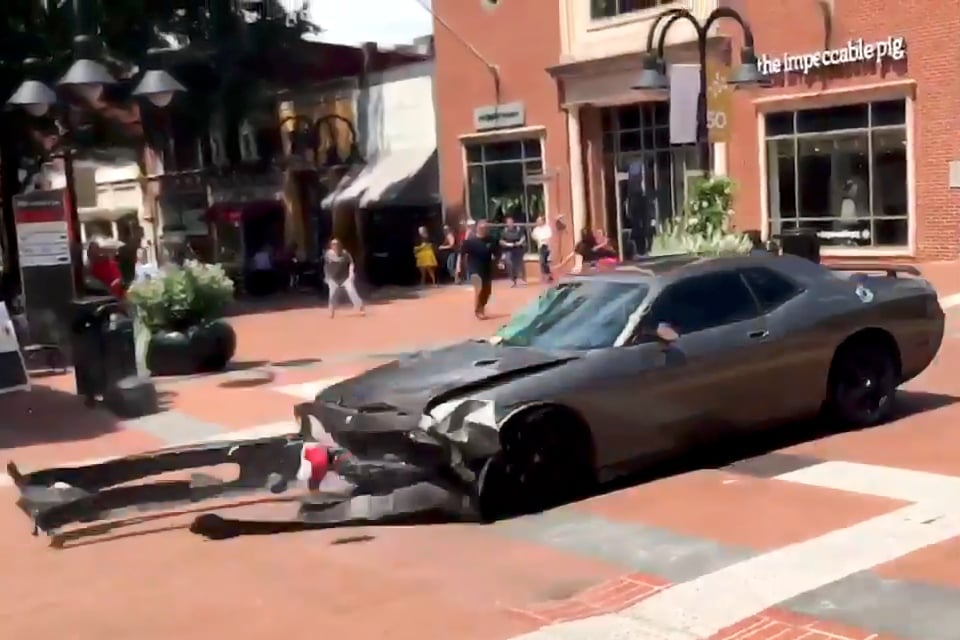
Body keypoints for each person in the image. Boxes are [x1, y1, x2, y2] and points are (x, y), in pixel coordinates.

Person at [459, 220, 499, 319]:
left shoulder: (491, 240)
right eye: (481, 227)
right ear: (477, 228)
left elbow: (497, 253)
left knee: (487, 291)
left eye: (485, 228)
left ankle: (481, 307)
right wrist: (458, 267)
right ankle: (478, 311)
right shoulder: (470, 241)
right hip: (474, 268)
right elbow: (462, 254)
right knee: (478, 288)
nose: (483, 229)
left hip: (487, 267)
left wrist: (498, 261)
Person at [323, 238, 364, 318]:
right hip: (333, 278)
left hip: (345, 277)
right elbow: (326, 266)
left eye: (337, 244)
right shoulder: (328, 254)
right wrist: (326, 276)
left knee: (352, 291)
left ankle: (360, 307)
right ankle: (331, 311)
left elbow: (351, 263)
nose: (335, 246)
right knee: (332, 295)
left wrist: (351, 273)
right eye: (333, 245)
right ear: (331, 246)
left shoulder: (345, 253)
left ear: (340, 245)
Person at [499, 216, 527, 287]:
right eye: (508, 222)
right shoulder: (504, 231)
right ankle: (512, 280)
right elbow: (501, 241)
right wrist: (508, 244)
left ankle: (521, 279)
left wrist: (520, 242)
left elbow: (523, 237)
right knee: (509, 262)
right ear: (506, 224)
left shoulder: (518, 229)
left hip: (518, 248)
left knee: (519, 263)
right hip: (508, 249)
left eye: (511, 222)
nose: (510, 223)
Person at [531, 215, 553, 282]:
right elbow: (534, 236)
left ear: (543, 221)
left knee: (543, 261)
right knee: (543, 262)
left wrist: (543, 239)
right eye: (537, 221)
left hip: (546, 246)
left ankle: (547, 275)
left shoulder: (547, 228)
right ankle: (548, 275)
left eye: (539, 220)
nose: (538, 222)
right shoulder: (536, 229)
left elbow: (549, 236)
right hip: (540, 246)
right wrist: (538, 239)